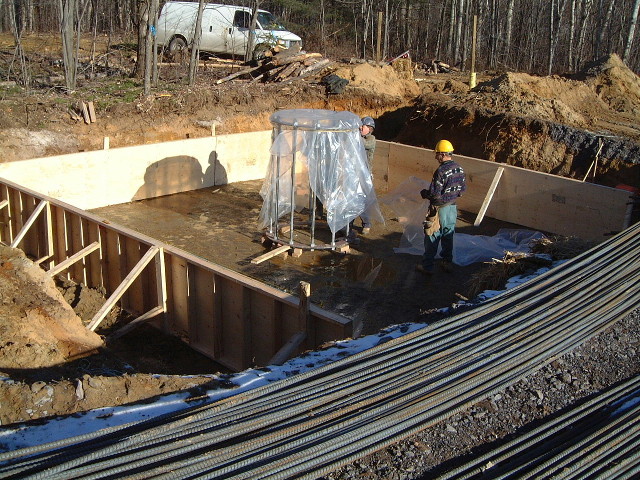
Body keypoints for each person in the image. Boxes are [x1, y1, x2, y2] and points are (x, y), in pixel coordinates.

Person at [416, 139, 466, 274]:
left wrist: (425, 193)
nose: (435, 156)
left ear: (443, 154)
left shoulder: (441, 171)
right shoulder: (459, 168)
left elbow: (435, 194)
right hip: (452, 208)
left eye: (437, 153)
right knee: (448, 235)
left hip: (439, 209)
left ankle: (427, 266)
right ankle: (447, 262)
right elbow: (462, 190)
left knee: (432, 235)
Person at [357, 116, 376, 235]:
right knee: (353, 198)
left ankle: (367, 223)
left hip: (365, 175)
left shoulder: (371, 139)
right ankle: (349, 224)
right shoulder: (359, 137)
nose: (360, 128)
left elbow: (362, 144)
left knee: (362, 200)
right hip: (355, 173)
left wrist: (354, 134)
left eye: (362, 126)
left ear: (369, 128)